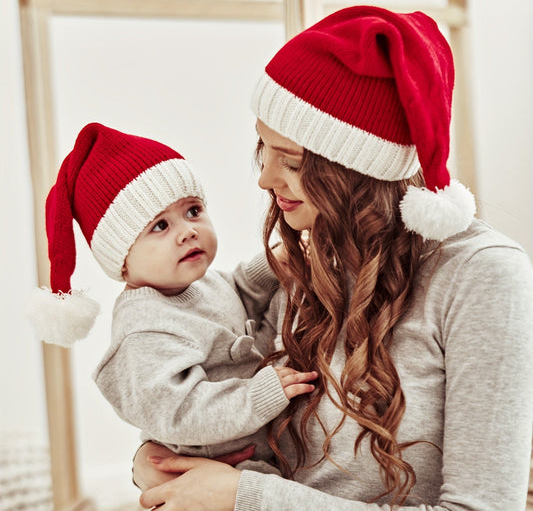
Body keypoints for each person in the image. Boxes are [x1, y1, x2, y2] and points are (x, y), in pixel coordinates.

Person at [132, 5, 533, 510]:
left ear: (356, 170)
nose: (264, 178)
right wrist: (155, 458)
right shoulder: (301, 261)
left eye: (293, 162)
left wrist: (249, 498)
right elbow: (220, 398)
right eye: (264, 148)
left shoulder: (482, 275)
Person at [28, 122, 317, 471]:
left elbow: (238, 291)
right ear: (121, 256)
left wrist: (274, 263)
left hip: (258, 450)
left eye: (193, 211)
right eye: (160, 226)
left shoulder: (195, 286)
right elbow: (179, 411)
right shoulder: (144, 330)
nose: (188, 232)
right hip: (215, 465)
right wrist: (258, 395)